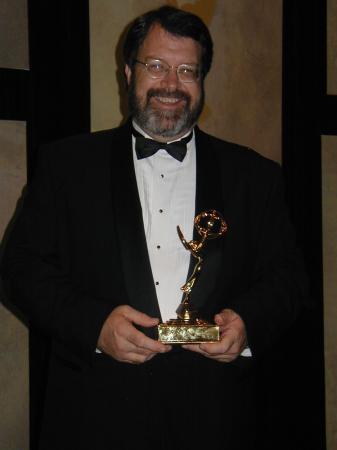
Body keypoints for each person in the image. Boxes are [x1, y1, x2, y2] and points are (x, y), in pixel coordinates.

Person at [1, 6, 309, 450]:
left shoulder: (256, 177)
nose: (171, 85)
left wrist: (247, 324)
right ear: (128, 72)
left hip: (218, 420)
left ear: (202, 80)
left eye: (188, 70)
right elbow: (20, 269)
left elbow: (290, 280)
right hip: (96, 418)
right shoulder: (66, 166)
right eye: (157, 66)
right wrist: (94, 326)